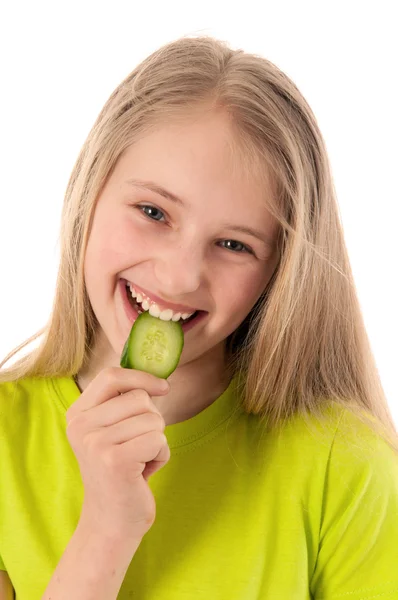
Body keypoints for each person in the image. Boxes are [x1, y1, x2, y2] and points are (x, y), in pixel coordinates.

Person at [0, 35, 397, 600]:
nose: (181, 276)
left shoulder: (347, 468)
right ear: (90, 193)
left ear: (279, 272)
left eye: (234, 244)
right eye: (153, 211)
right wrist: (106, 529)